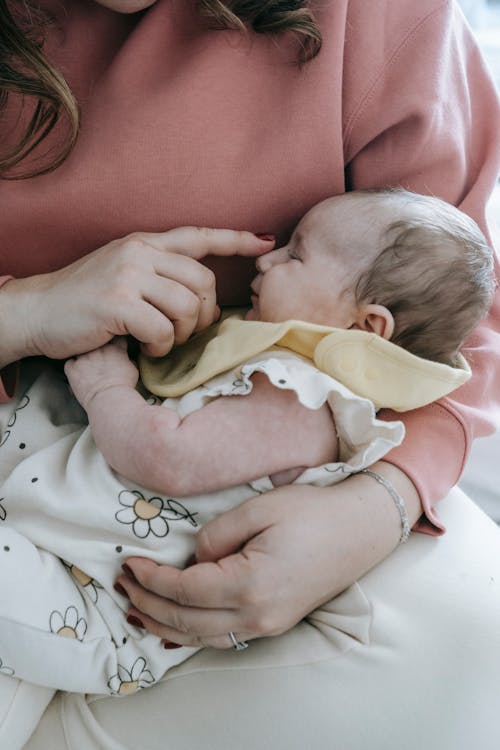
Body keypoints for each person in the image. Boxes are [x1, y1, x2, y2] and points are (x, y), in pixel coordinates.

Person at [0, 1, 499, 748]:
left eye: (294, 252)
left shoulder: (381, 19)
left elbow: (464, 326)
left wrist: (380, 503)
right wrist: (26, 311)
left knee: (470, 632)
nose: (267, 261)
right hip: (43, 425)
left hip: (148, 540)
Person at [0, 187, 490, 696]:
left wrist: (106, 389)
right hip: (61, 526)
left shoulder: (305, 401)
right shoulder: (280, 370)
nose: (269, 259)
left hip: (94, 600)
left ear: (366, 324)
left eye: (295, 255)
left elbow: (168, 458)